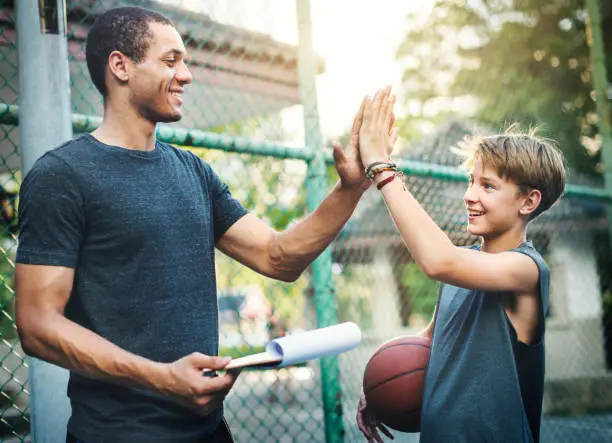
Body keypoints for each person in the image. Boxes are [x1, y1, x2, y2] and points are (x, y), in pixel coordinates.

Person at [14, 7, 393, 443]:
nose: (187, 75)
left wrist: (350, 189)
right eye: (171, 60)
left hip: (209, 432)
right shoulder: (62, 175)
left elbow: (278, 257)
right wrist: (160, 378)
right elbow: (37, 324)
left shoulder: (192, 171)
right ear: (120, 66)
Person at [356, 88, 566, 443]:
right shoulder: (461, 267)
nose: (470, 194)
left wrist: (381, 167)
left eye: (488, 185)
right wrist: (384, 390)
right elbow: (430, 343)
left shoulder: (526, 271)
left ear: (528, 201)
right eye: (471, 181)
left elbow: (439, 260)